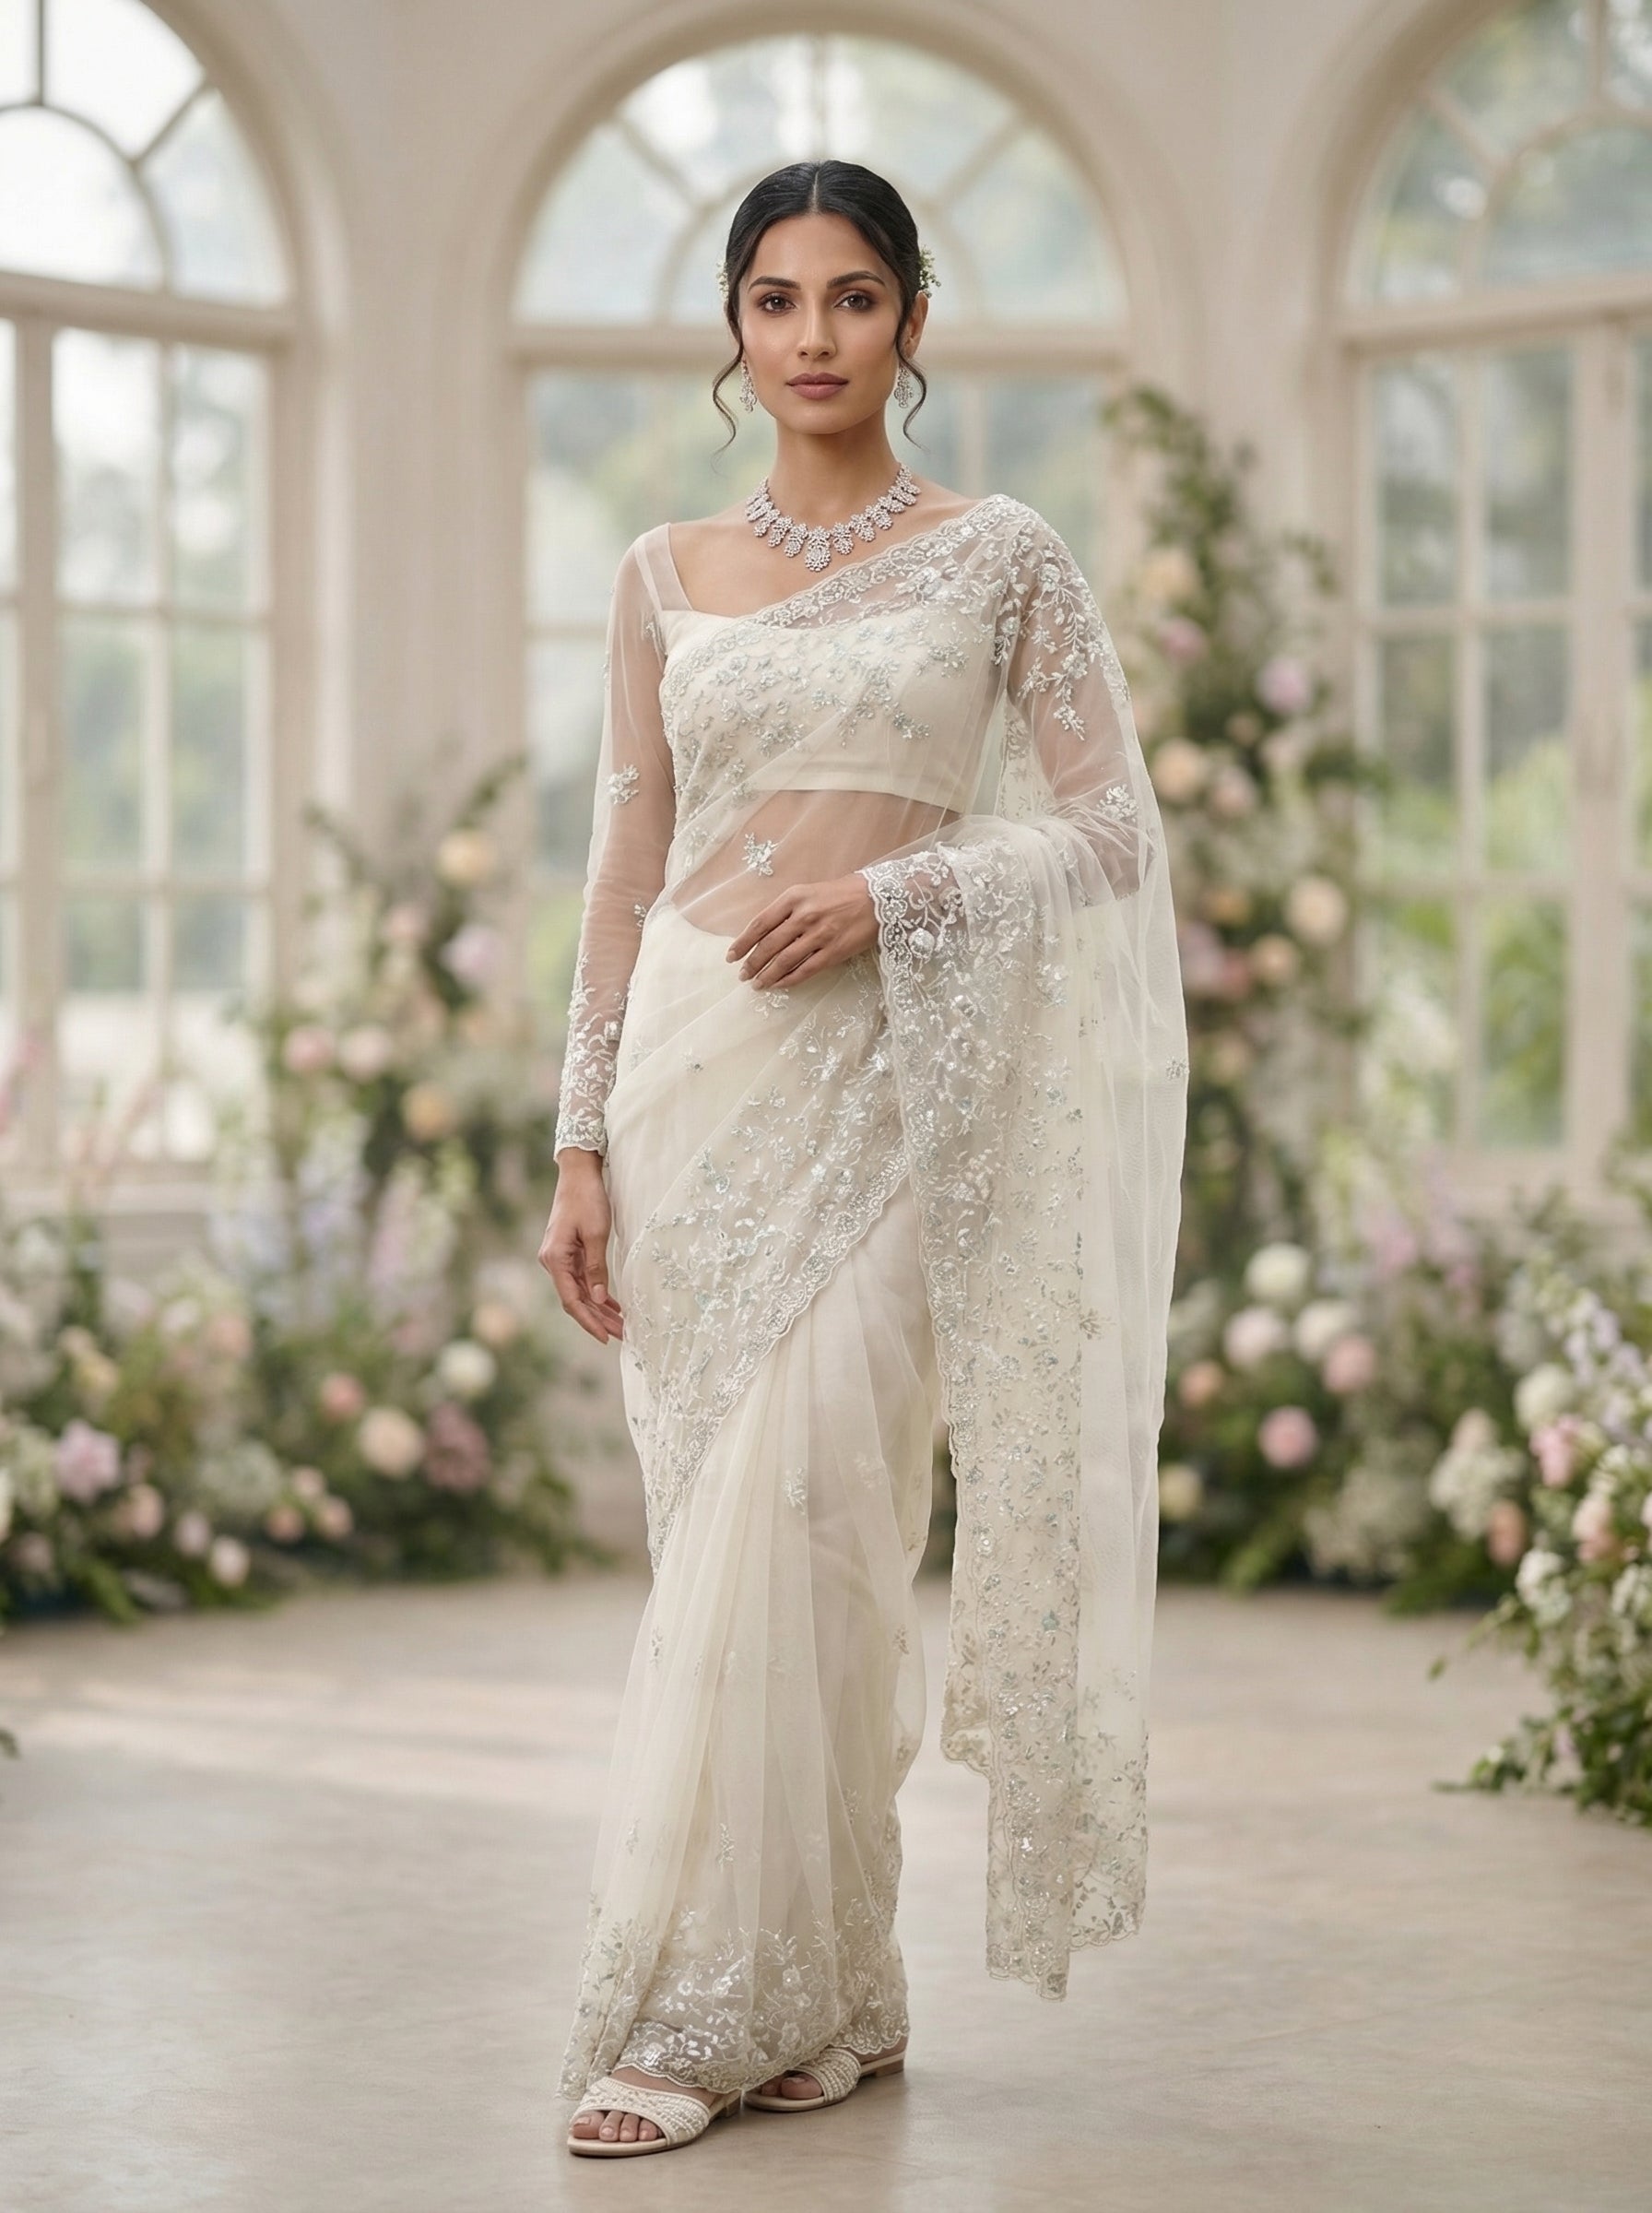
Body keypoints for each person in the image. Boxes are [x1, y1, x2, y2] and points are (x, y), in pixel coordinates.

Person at [539, 159, 1189, 2160]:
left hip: (896, 1090)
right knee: (726, 1532)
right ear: (733, 333)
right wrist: (578, 1139)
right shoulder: (661, 572)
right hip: (693, 1080)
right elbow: (621, 869)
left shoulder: (999, 557)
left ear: (909, 317)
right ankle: (833, 1990)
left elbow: (1112, 832)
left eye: (848, 296)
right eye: (773, 299)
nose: (810, 336)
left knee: (825, 1519)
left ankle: (709, 2009)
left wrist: (895, 896)